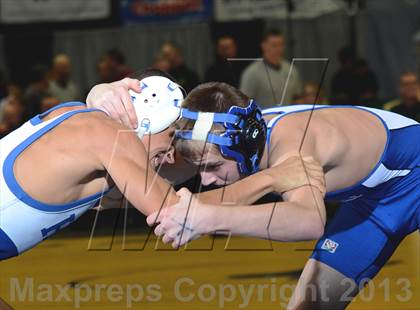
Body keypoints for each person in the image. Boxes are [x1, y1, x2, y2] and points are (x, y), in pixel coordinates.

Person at [146, 82, 419, 309]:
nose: (205, 180)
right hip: (368, 205)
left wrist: (210, 219)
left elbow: (309, 220)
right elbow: (144, 192)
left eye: (213, 167)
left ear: (242, 149)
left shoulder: (292, 143)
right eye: (199, 168)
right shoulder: (231, 135)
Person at [0, 70, 323, 260]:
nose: (170, 155)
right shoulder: (112, 137)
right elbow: (178, 218)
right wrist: (272, 178)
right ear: (145, 123)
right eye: (170, 138)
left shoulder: (81, 121)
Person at [240, 29, 302, 108]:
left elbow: (297, 98)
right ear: (264, 46)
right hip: (264, 119)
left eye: (281, 45)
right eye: (274, 45)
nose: (278, 49)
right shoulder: (251, 73)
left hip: (288, 118)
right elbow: (243, 104)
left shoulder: (291, 69)